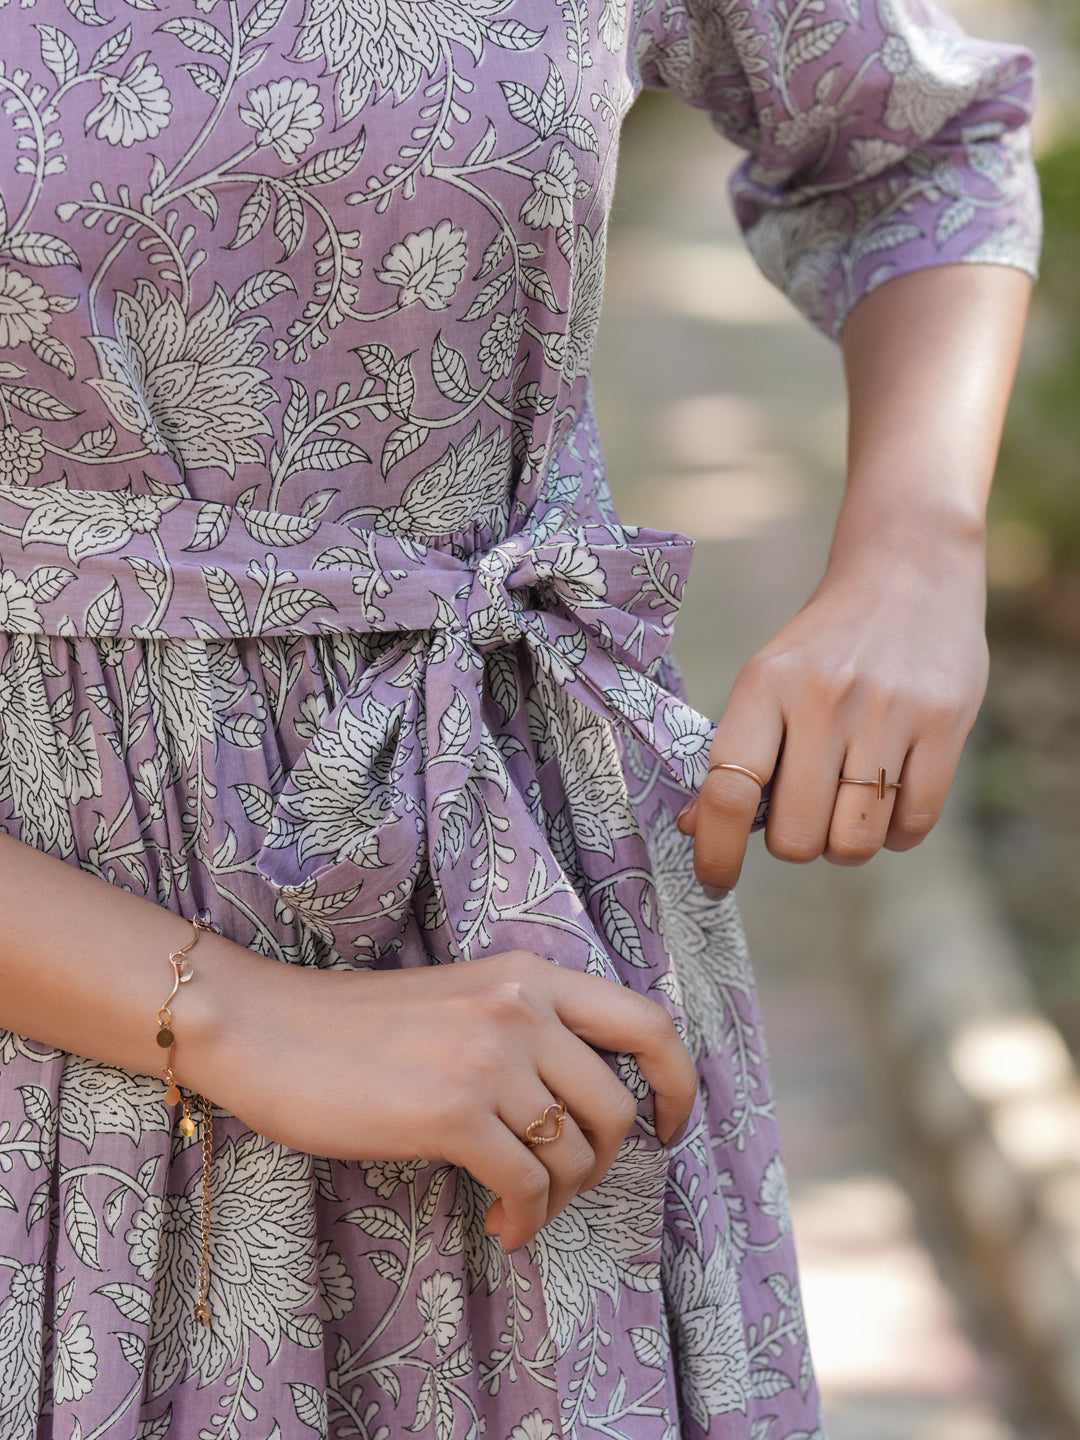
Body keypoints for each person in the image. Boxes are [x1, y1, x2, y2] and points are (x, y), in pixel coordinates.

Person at [0, 0, 1038, 1431]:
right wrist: (235, 1014)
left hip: (533, 954)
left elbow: (918, 144)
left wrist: (917, 547)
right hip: (52, 1026)